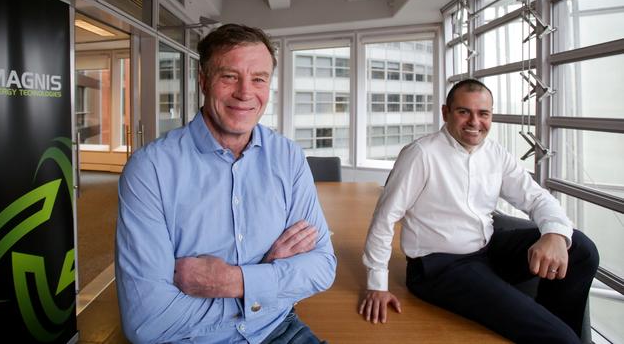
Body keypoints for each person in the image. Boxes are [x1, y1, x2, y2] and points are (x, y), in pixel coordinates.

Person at [115, 23, 336, 344]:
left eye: (259, 79)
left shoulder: (288, 157)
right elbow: (148, 322)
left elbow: (322, 268)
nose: (246, 92)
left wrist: (232, 280)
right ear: (203, 81)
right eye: (229, 76)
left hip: (277, 328)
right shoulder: (150, 169)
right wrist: (268, 279)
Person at [358, 79, 599, 343]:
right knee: (559, 338)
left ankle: (555, 326)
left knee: (582, 249)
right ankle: (557, 335)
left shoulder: (495, 153)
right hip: (440, 267)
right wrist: (376, 285)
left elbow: (536, 197)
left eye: (483, 113)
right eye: (464, 112)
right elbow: (385, 218)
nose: (475, 122)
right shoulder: (420, 154)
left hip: (487, 249)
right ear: (446, 113)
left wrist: (554, 233)